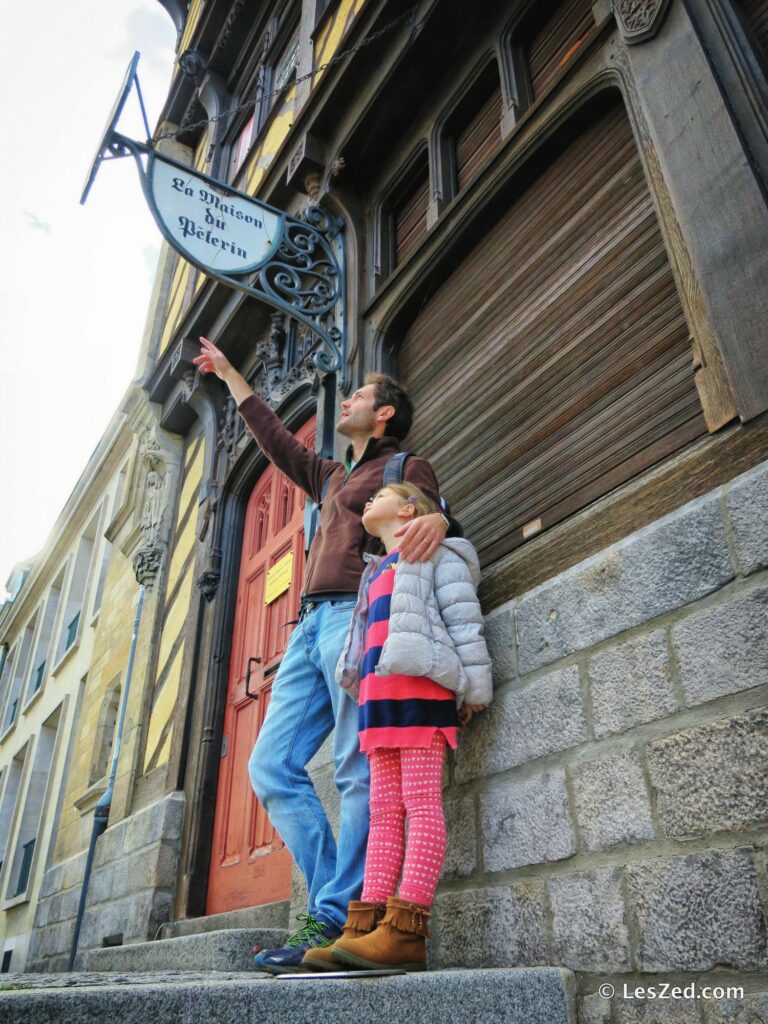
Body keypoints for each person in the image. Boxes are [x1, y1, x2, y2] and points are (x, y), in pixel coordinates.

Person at [193, 337, 455, 973]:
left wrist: (442, 522)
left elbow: (439, 523)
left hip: (358, 615)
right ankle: (334, 898)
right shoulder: (335, 475)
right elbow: (278, 444)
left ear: (385, 413)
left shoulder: (404, 469)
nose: (349, 400)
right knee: (269, 766)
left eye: (361, 395)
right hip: (307, 626)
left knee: (350, 764)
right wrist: (231, 376)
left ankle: (337, 915)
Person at [302, 482, 492, 973]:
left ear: (409, 508)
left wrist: (472, 689)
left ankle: (407, 930)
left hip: (422, 694)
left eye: (381, 494)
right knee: (383, 811)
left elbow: (464, 622)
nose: (368, 501)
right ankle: (365, 926)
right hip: (378, 703)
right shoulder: (373, 570)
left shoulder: (436, 552)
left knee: (420, 803)